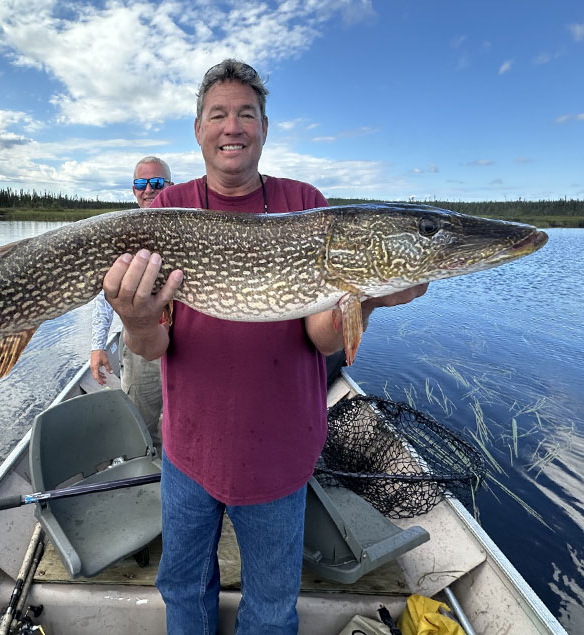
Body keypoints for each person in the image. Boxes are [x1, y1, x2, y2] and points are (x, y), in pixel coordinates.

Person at [102, 60, 427, 633]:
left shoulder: (307, 204)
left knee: (273, 610)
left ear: (265, 128)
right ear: (199, 129)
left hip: (279, 454)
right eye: (219, 114)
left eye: (246, 114)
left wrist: (367, 298)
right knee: (182, 592)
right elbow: (153, 346)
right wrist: (133, 319)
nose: (233, 126)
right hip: (190, 451)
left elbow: (320, 333)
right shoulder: (162, 211)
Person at [89, 155, 173, 450]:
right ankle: (146, 473)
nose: (148, 189)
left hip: (187, 342)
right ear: (133, 190)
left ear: (171, 187)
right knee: (142, 419)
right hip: (139, 346)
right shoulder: (120, 232)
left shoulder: (186, 225)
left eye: (157, 182)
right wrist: (98, 345)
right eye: (141, 183)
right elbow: (104, 295)